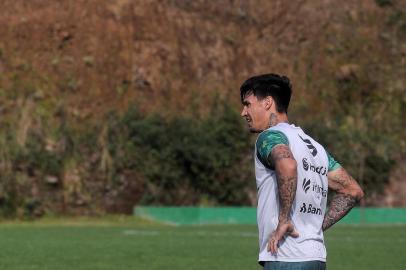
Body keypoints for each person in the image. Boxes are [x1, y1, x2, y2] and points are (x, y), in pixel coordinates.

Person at [239, 73, 364, 270]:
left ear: (268, 102)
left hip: (285, 257)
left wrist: (284, 219)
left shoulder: (269, 136)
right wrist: (316, 228)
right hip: (315, 257)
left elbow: (287, 165)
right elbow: (352, 190)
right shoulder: (315, 147)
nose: (243, 112)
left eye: (247, 104)